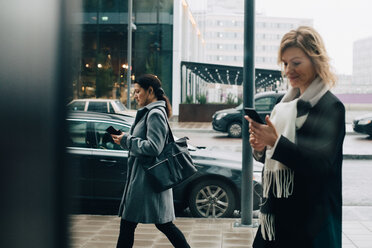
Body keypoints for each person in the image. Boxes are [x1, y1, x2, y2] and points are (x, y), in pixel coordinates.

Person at [245, 26, 345, 248]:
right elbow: (274, 161)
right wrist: (262, 148)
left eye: (296, 62)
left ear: (316, 61)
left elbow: (320, 165)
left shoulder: (331, 107)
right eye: (285, 63)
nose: (289, 70)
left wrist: (275, 142)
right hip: (276, 218)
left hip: (311, 223)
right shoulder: (283, 106)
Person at [111, 74, 190, 248]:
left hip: (146, 181)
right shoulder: (151, 112)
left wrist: (127, 140)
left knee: (137, 224)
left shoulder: (154, 114)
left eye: (138, 91)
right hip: (143, 179)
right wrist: (126, 140)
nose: (135, 95)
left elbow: (154, 147)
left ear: (150, 91)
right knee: (157, 224)